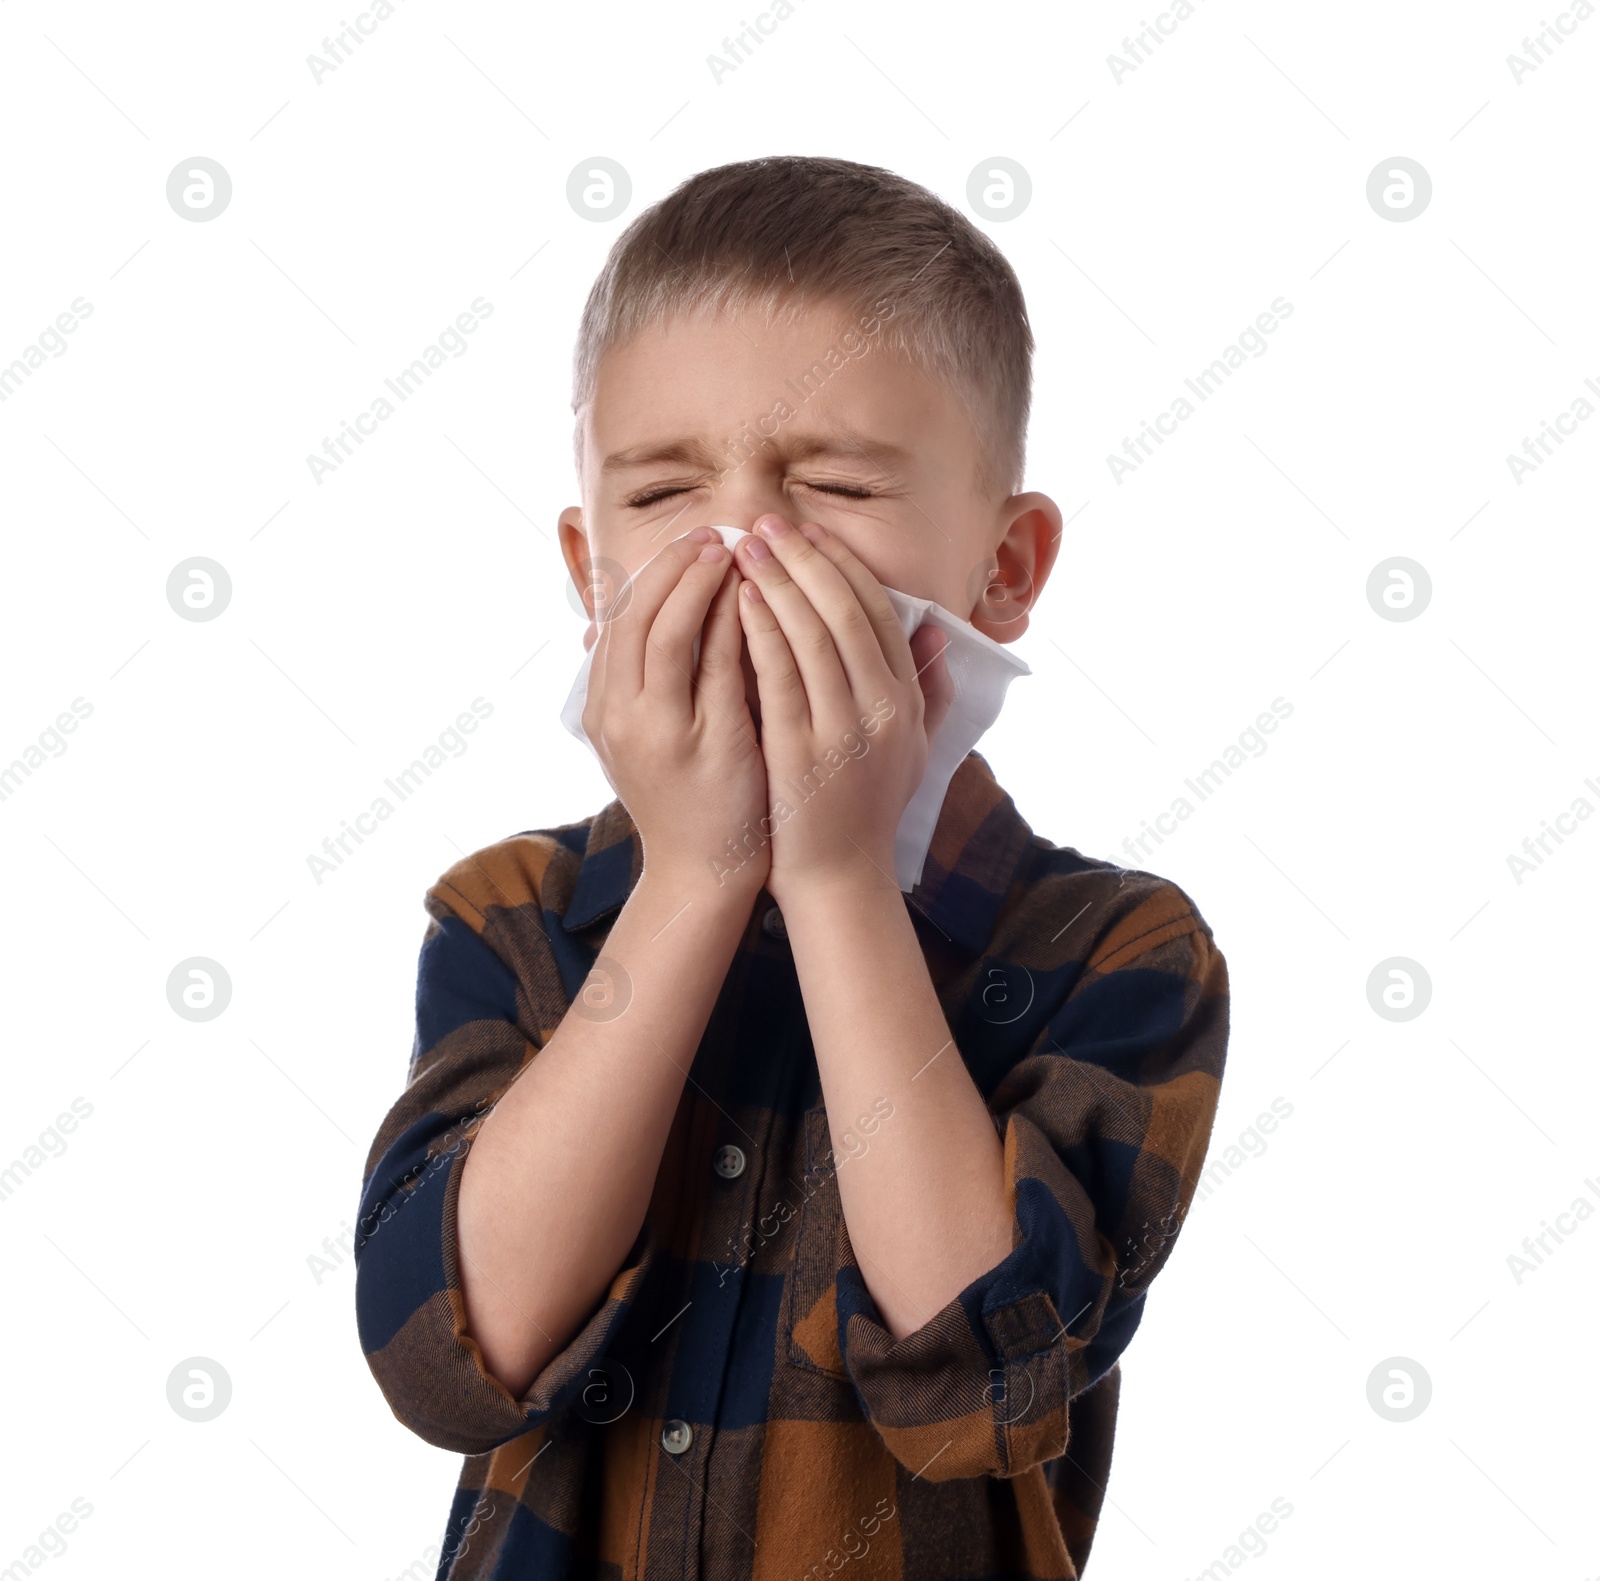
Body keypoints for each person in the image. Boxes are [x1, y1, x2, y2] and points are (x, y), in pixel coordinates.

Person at [354, 154, 1230, 1580]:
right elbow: (451, 1355)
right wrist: (697, 874)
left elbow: (983, 1373)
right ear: (591, 571)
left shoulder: (1119, 951)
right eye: (662, 490)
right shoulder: (508, 917)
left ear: (1004, 566)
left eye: (832, 484)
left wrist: (832, 877)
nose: (747, 546)